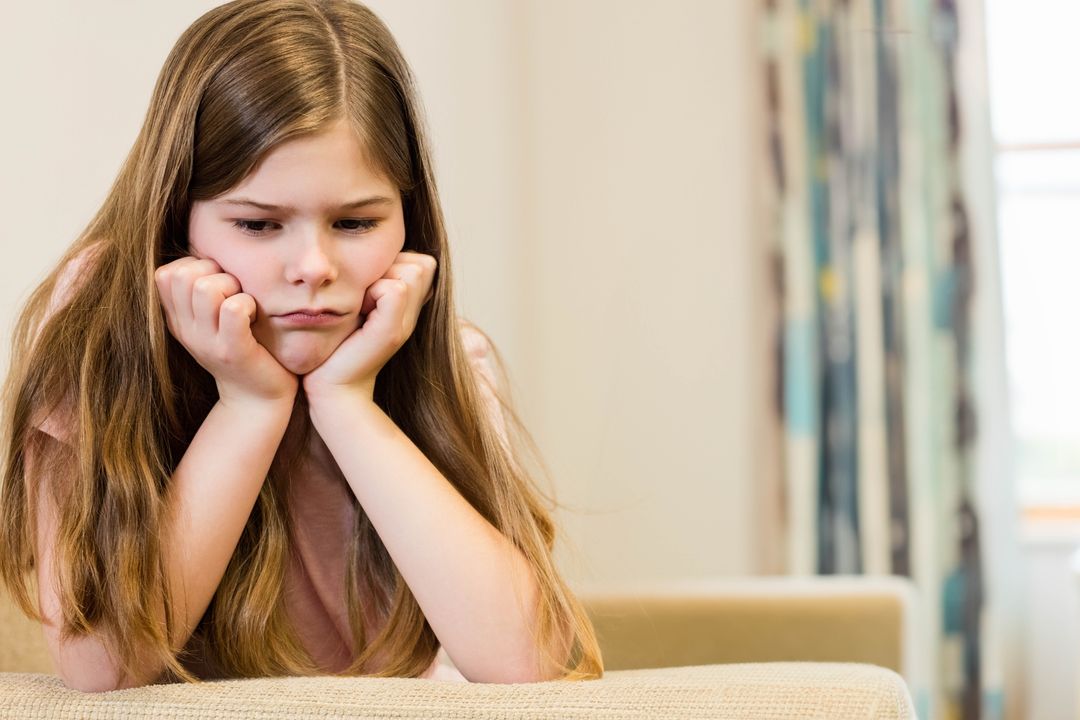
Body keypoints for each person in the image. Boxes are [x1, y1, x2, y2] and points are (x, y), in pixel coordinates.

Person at [0, 0, 603, 692]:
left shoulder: (439, 357)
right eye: (259, 226)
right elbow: (103, 664)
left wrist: (349, 406)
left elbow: (531, 665)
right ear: (174, 221)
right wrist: (249, 407)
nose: (313, 266)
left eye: (354, 222)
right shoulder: (94, 340)